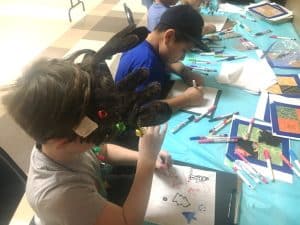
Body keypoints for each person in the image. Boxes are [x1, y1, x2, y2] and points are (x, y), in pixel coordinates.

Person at [2, 26, 173, 225]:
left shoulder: (62, 141)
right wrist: (147, 160)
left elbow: (101, 150)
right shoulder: (60, 196)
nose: (101, 136)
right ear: (63, 142)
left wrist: (140, 157)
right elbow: (127, 222)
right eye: (96, 132)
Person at [116, 5, 206, 113]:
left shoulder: (148, 39)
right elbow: (141, 112)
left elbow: (165, 60)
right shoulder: (148, 64)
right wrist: (187, 99)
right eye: (184, 50)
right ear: (168, 36)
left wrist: (184, 72)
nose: (183, 57)